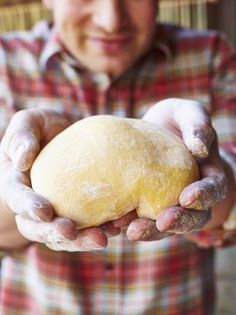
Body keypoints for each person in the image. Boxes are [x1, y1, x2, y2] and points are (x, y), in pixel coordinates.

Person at [0, 0, 235, 314]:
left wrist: (215, 177)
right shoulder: (5, 64)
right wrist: (14, 194)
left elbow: (230, 203)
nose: (111, 20)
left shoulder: (211, 55)